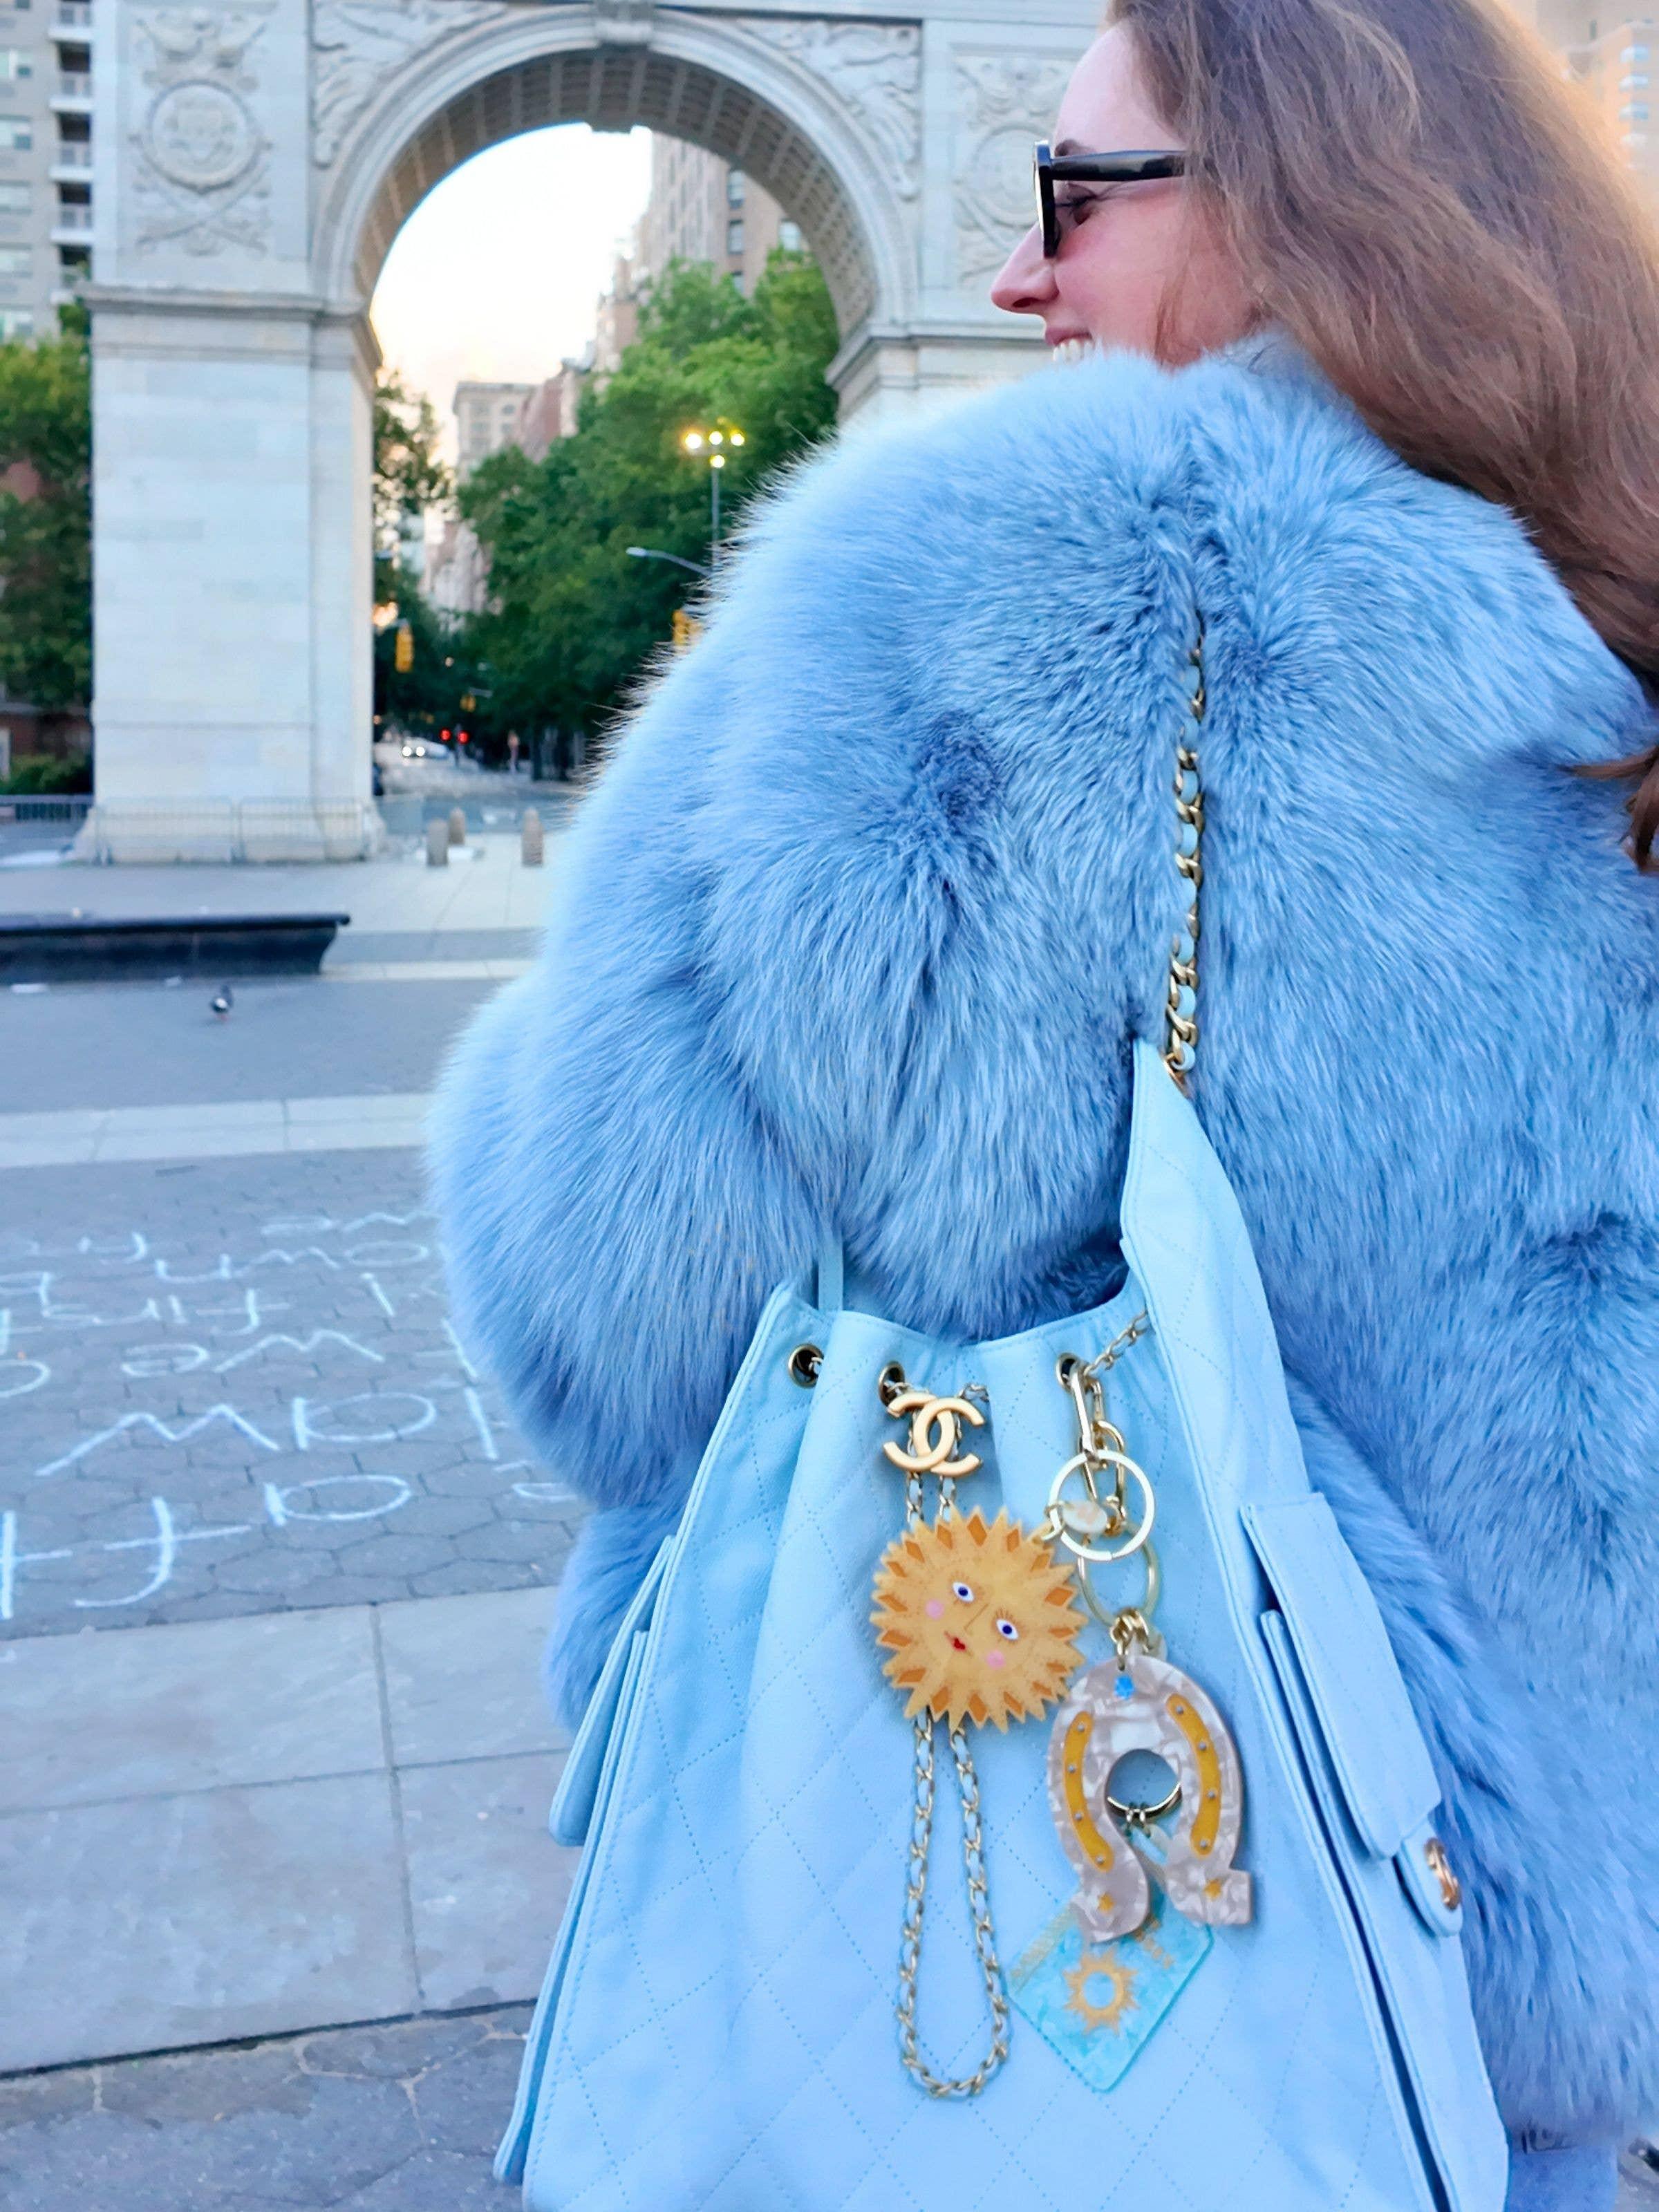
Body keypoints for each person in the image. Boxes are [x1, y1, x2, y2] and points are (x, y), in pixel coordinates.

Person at [432, 1, 1659, 2204]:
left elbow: (593, 1323)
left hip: (999, 1981)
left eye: (1076, 196)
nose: (1018, 275)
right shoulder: (1622, 649)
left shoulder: (943, 609)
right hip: (1521, 2026)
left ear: (1306, 204)